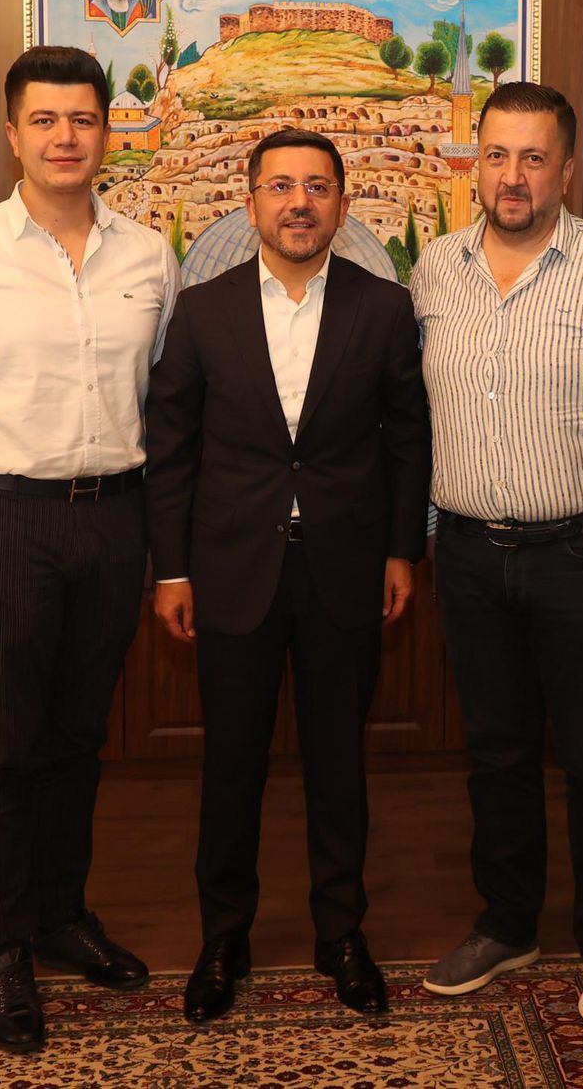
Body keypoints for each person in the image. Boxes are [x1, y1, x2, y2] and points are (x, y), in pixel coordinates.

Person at [0, 44, 180, 1054]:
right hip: (0, 520)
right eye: (45, 121)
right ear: (12, 134)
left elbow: (165, 408)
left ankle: (62, 914)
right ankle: (5, 948)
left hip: (112, 519)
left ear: (108, 132)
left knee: (77, 738)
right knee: (6, 746)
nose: (66, 137)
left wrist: (163, 547)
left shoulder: (150, 258)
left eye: (83, 119)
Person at [146, 127, 431, 1023]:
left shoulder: (384, 309)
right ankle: (223, 937)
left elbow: (409, 439)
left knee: (339, 764)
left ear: (342, 205)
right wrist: (171, 571)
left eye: (316, 186)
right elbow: (171, 451)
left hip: (347, 569)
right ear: (251, 203)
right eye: (280, 186)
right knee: (231, 765)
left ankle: (341, 933)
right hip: (232, 570)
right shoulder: (204, 311)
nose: (299, 202)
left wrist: (401, 551)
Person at [409, 82, 583, 1027]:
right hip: (470, 553)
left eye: (533, 158)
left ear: (567, 168)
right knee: (497, 750)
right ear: (474, 164)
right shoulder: (433, 271)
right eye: (497, 156)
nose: (512, 176)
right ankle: (507, 920)